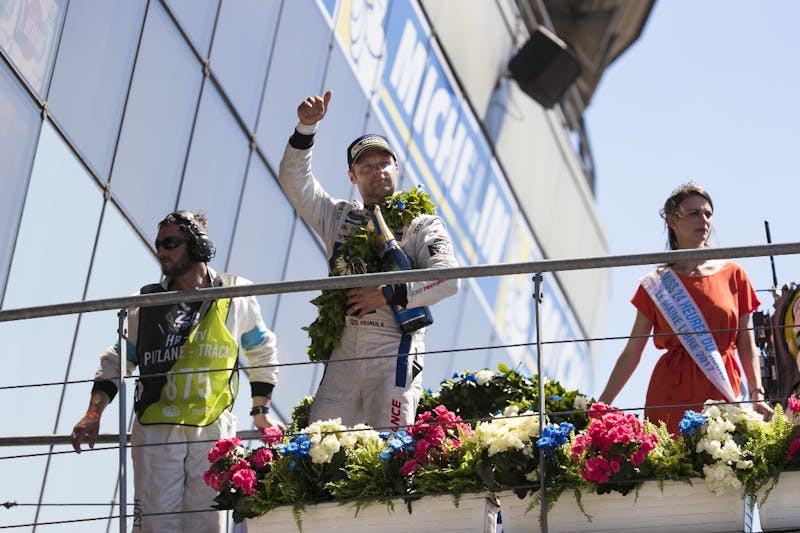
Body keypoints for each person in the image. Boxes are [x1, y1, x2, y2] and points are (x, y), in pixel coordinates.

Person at [70, 210, 284, 533]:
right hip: (157, 431)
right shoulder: (145, 302)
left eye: (171, 243)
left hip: (212, 433)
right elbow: (118, 359)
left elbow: (261, 348)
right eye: (159, 245)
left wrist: (261, 409)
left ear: (199, 246)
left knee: (209, 528)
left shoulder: (235, 293)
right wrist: (94, 411)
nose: (161, 252)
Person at [277, 90, 459, 431]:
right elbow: (295, 184)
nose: (377, 172)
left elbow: (449, 278)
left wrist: (388, 293)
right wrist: (305, 128)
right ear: (352, 177)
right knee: (322, 444)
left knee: (389, 447)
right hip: (344, 345)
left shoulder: (422, 223)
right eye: (366, 166)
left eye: (383, 164)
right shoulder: (339, 216)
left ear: (396, 167)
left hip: (395, 347)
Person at [598, 182, 773, 433]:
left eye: (708, 214)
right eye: (694, 213)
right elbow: (632, 352)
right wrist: (602, 405)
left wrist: (757, 394)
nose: (703, 220)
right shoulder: (657, 284)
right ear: (671, 220)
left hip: (722, 386)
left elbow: (746, 343)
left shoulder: (734, 274)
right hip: (670, 394)